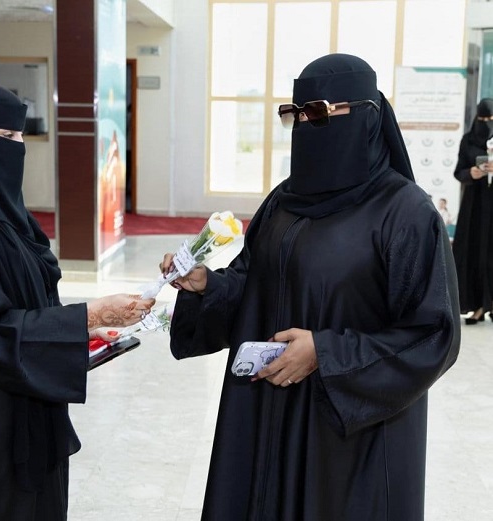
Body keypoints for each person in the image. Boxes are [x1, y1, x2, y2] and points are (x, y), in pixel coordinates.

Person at [159, 54, 460, 520]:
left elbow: (433, 335)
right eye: (294, 114)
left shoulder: (405, 214)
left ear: (365, 116)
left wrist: (326, 353)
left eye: (317, 113)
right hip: (268, 411)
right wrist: (207, 286)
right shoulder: (284, 201)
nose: (304, 124)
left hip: (348, 435)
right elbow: (252, 283)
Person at [0, 80, 155, 520]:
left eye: (20, 135)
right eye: (5, 136)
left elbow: (24, 299)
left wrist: (86, 329)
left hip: (17, 407)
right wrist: (86, 316)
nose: (16, 147)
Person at [452, 98, 493, 324]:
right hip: (474, 205)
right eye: (483, 118)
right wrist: (471, 173)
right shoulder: (468, 140)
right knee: (475, 251)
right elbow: (458, 171)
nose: (486, 123)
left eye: (491, 119)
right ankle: (477, 304)